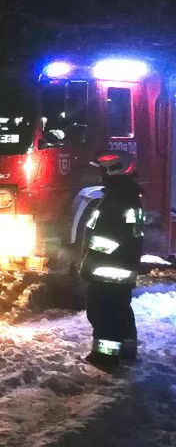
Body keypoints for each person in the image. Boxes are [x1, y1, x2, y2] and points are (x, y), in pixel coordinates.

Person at [81, 152, 144, 365]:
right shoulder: (127, 194)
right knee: (120, 309)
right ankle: (127, 351)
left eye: (101, 170)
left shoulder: (116, 198)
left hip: (107, 268)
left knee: (101, 312)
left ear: (112, 171)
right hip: (122, 267)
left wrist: (88, 264)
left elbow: (107, 238)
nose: (99, 176)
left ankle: (104, 357)